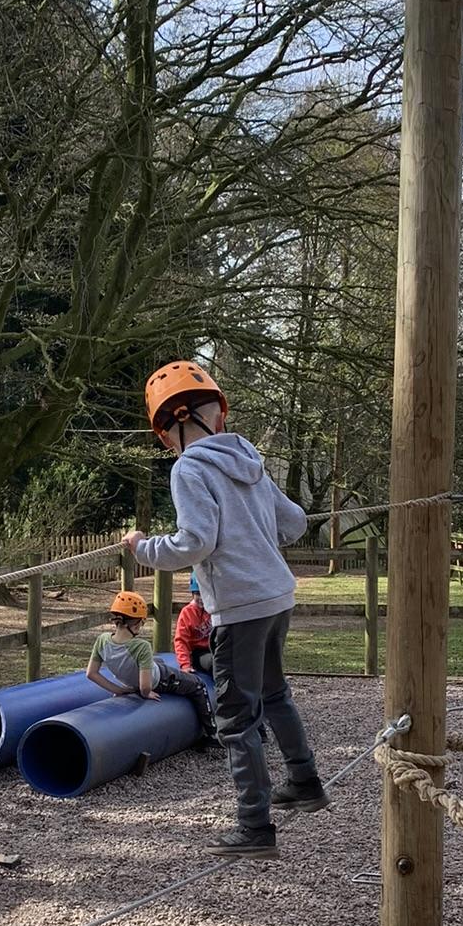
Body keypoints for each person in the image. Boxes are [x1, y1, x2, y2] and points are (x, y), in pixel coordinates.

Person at [123, 359, 325, 857]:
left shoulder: (189, 468)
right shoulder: (247, 456)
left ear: (173, 426)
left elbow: (194, 543)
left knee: (235, 717)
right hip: (277, 597)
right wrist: (255, 533)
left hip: (238, 605)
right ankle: (304, 782)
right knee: (274, 693)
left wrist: (142, 548)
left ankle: (255, 827)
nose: (167, 446)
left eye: (164, 437)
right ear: (217, 414)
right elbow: (295, 523)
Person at [87, 588, 215, 742]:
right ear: (137, 624)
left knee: (158, 661)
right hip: (162, 680)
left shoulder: (102, 640)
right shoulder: (141, 646)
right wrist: (146, 692)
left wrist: (118, 690)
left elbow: (91, 673)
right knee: (198, 685)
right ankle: (211, 733)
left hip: (132, 682)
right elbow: (145, 686)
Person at [174, 572, 213, 676]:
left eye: (205, 594)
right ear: (192, 594)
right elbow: (181, 640)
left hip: (216, 648)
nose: (202, 598)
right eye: (198, 594)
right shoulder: (187, 612)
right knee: (214, 664)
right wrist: (185, 664)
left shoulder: (215, 609)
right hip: (199, 652)